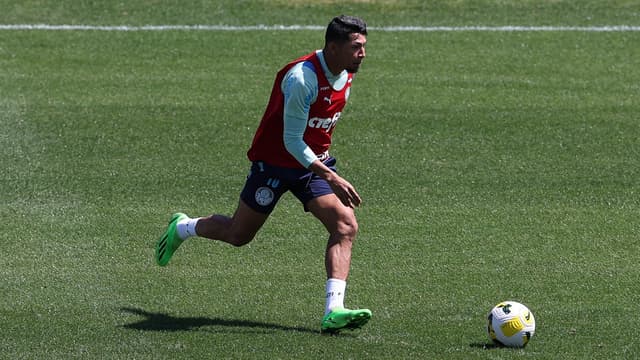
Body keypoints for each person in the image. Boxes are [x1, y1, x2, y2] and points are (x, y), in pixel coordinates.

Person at [155, 15, 371, 333]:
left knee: (345, 225)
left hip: (311, 168)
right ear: (333, 47)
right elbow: (291, 141)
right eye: (356, 47)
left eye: (364, 46)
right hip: (274, 165)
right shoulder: (302, 79)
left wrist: (323, 168)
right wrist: (332, 176)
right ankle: (183, 227)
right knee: (238, 235)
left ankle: (333, 310)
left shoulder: (346, 73)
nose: (362, 53)